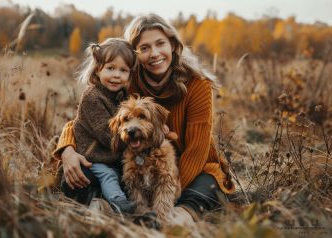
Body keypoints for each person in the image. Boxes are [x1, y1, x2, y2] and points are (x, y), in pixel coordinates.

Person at [53, 13, 235, 223]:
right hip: (140, 161)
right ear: (134, 55)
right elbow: (87, 118)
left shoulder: (197, 85)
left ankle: (177, 216)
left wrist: (173, 188)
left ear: (173, 45)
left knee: (206, 186)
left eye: (160, 44)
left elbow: (197, 149)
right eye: (144, 48)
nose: (154, 53)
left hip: (190, 167)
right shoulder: (128, 80)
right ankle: (119, 209)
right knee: (82, 177)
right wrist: (67, 149)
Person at [68, 38, 138, 213]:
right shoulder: (92, 97)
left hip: (112, 156)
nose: (116, 75)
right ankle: (119, 203)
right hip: (94, 157)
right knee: (108, 175)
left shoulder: (122, 95)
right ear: (98, 69)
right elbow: (108, 136)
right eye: (110, 68)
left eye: (123, 70)